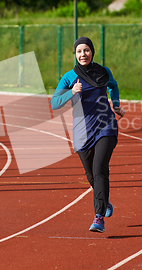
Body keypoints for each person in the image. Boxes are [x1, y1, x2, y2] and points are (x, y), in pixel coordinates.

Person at [50, 36, 125, 233]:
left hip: (105, 126)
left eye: (86, 50)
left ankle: (98, 217)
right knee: (91, 175)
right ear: (75, 55)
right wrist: (71, 92)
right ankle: (104, 200)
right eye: (79, 51)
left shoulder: (103, 72)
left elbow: (113, 86)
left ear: (92, 52)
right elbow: (54, 103)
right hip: (82, 130)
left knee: (100, 168)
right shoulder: (69, 77)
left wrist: (115, 104)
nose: (83, 54)